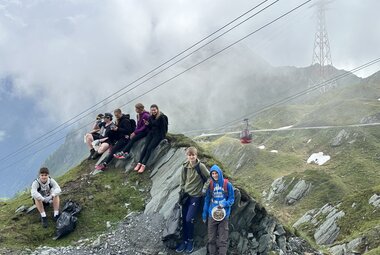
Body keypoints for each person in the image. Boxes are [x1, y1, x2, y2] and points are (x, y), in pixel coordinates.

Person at [176, 147, 209, 253]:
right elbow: (182, 180)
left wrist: (204, 189)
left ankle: (190, 241)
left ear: (196, 155)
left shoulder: (201, 166)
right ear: (187, 156)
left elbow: (209, 178)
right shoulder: (184, 166)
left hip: (196, 196)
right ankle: (184, 241)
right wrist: (182, 191)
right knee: (183, 219)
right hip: (186, 196)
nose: (191, 157)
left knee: (189, 219)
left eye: (193, 155)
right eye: (189, 155)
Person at [202, 165, 235, 255]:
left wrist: (224, 204)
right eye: (213, 173)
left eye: (216, 173)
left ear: (219, 173)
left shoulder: (227, 184)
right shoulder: (210, 184)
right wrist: (204, 214)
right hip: (212, 214)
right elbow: (207, 199)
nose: (215, 175)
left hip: (224, 215)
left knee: (223, 240)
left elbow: (232, 199)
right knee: (211, 239)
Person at [133, 104, 168, 173]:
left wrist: (163, 137)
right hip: (151, 134)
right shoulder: (150, 117)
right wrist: (147, 125)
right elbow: (150, 127)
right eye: (152, 110)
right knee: (145, 147)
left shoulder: (162, 117)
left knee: (150, 148)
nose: (153, 111)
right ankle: (139, 163)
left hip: (158, 135)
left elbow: (164, 128)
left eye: (154, 110)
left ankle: (143, 165)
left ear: (157, 109)